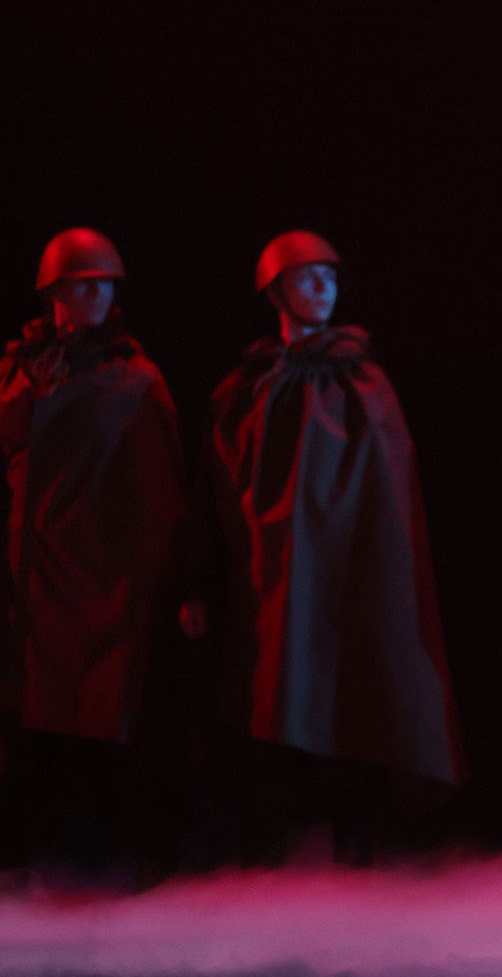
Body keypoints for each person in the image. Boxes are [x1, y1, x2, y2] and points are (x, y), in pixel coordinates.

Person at [182, 230, 461, 864]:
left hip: (346, 586)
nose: (323, 288)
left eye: (330, 277)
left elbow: (391, 499)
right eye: (307, 277)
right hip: (270, 584)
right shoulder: (244, 390)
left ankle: (354, 851)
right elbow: (211, 490)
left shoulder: (364, 381)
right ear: (275, 291)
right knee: (269, 715)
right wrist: (197, 583)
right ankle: (276, 856)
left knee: (349, 709)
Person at [0, 228, 184, 875]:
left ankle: (122, 851)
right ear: (55, 293)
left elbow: (161, 488)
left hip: (102, 577)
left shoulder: (135, 379)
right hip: (29, 574)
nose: (99, 295)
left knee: (104, 716)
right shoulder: (19, 370)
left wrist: (177, 579)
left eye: (106, 285)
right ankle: (32, 850)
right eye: (85, 286)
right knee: (33, 717)